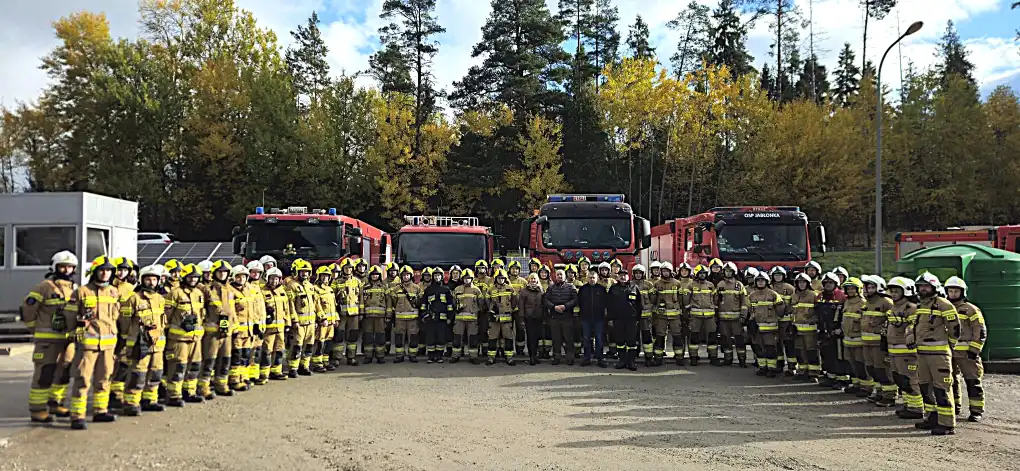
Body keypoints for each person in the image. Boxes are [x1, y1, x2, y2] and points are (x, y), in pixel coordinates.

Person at [64, 256, 121, 430]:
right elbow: (69, 315)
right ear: (95, 272)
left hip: (108, 345)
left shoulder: (113, 292)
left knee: (104, 379)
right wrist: (75, 331)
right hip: (88, 344)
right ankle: (77, 416)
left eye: (109, 271)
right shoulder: (82, 291)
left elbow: (116, 317)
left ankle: (100, 411)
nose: (105, 274)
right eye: (102, 270)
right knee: (82, 379)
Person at [24, 251, 79, 423]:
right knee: (45, 372)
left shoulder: (76, 289)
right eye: (63, 266)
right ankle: (38, 409)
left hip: (68, 339)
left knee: (64, 371)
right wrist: (35, 329)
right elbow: (28, 309)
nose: (66, 270)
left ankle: (56, 403)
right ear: (55, 267)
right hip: (47, 340)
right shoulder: (44, 287)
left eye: (70, 267)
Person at [912, 272, 961, 436]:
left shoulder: (944, 304)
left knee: (942, 389)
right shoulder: (920, 306)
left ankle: (947, 424)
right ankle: (932, 417)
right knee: (925, 387)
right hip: (922, 353)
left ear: (934, 287)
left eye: (926, 286)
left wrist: (949, 346)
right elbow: (915, 327)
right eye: (920, 286)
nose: (923, 289)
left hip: (939, 355)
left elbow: (955, 329)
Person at [119, 265, 167, 415]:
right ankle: (131, 403)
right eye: (148, 279)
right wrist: (130, 338)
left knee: (155, 373)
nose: (151, 282)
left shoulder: (160, 299)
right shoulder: (134, 298)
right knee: (137, 374)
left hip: (157, 345)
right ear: (142, 280)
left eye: (154, 279)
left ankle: (150, 400)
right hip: (140, 344)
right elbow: (124, 321)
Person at [945, 276, 986, 422]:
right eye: (951, 291)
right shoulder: (945, 309)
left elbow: (980, 331)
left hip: (967, 351)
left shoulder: (971, 309)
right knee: (950, 380)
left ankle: (976, 410)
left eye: (956, 291)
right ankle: (954, 406)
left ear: (962, 292)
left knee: (972, 380)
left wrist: (974, 350)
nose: (953, 294)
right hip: (948, 351)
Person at [165, 264, 206, 403]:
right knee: (178, 366)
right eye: (190, 277)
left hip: (196, 338)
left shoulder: (199, 293)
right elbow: (167, 316)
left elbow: (202, 314)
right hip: (179, 338)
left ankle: (189, 391)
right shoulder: (174, 293)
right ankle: (174, 395)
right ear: (185, 277)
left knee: (194, 366)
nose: (193, 280)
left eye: (195, 277)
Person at [885, 277, 923, 420]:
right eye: (892, 291)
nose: (893, 294)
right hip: (894, 350)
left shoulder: (911, 308)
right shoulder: (894, 307)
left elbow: (913, 328)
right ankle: (908, 404)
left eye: (897, 291)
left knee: (910, 379)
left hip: (906, 351)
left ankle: (917, 408)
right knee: (900, 379)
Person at [198, 261, 234, 399]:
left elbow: (232, 311)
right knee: (209, 359)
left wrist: (233, 326)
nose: (222, 274)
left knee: (225, 359)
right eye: (220, 272)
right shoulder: (207, 289)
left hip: (227, 330)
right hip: (212, 331)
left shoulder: (229, 289)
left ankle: (221, 384)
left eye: (225, 272)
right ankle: (203, 386)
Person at [861, 275, 896, 405]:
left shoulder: (886, 302)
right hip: (866, 342)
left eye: (872, 287)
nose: (868, 290)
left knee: (882, 369)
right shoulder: (867, 302)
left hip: (879, 343)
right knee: (871, 369)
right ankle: (879, 392)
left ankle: (889, 395)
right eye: (867, 287)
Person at [746, 270, 784, 377]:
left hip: (770, 329)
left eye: (762, 281)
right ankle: (762, 367)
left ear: (767, 282)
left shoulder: (773, 294)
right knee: (758, 348)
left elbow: (780, 310)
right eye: (758, 281)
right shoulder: (751, 295)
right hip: (757, 328)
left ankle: (772, 368)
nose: (760, 282)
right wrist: (748, 322)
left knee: (770, 348)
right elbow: (748, 309)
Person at [285, 259, 318, 376]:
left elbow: (314, 304)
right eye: (302, 272)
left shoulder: (310, 286)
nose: (305, 274)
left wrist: (316, 320)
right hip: (299, 323)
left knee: (309, 346)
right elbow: (290, 305)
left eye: (307, 272)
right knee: (297, 346)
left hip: (310, 323)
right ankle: (293, 368)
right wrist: (294, 320)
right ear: (297, 272)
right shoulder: (292, 286)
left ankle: (304, 366)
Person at [816, 272, 847, 388]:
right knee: (826, 354)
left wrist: (840, 329)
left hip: (837, 331)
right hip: (824, 330)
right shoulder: (820, 296)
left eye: (831, 282)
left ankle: (842, 379)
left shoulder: (842, 296)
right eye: (826, 282)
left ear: (836, 283)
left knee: (839, 356)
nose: (828, 285)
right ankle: (830, 377)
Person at [260, 267, 292, 379]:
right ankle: (264, 373)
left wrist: (288, 323)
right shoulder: (262, 292)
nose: (274, 281)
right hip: (268, 329)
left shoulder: (282, 292)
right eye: (272, 279)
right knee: (267, 350)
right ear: (267, 279)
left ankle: (276, 371)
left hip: (280, 328)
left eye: (276, 279)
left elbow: (286, 309)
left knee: (279, 350)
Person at [840, 277, 869, 396]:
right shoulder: (847, 302)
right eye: (848, 289)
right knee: (852, 363)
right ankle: (856, 384)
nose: (851, 291)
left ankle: (866, 387)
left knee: (861, 363)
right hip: (848, 339)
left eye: (853, 288)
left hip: (859, 339)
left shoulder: (863, 303)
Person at [715, 262, 748, 367]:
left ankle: (742, 360)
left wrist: (743, 316)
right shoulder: (720, 285)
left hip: (736, 319)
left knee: (739, 339)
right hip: (723, 319)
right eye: (726, 271)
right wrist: (716, 315)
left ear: (734, 272)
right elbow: (716, 301)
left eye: (730, 271)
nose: (728, 273)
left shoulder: (739, 285)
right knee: (725, 339)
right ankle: (727, 359)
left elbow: (744, 302)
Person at [608, 269, 642, 371]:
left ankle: (631, 362)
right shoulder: (613, 288)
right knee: (620, 341)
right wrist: (610, 318)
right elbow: (609, 304)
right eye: (621, 275)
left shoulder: (634, 287)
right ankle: (622, 361)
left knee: (631, 341)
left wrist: (638, 318)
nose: (623, 277)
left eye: (625, 275)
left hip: (631, 319)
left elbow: (639, 304)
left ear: (628, 277)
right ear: (618, 277)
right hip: (618, 319)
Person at [420, 267, 455, 364]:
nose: (437, 277)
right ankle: (431, 356)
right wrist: (424, 315)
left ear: (442, 277)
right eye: (435, 275)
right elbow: (424, 304)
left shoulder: (446, 289)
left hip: (442, 319)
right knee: (430, 337)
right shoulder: (428, 290)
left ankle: (439, 356)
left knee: (441, 337)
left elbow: (450, 305)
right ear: (433, 277)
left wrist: (449, 317)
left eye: (439, 275)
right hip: (430, 319)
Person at [652, 262, 684, 366]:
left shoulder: (677, 283)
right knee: (660, 336)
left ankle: (679, 358)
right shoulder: (657, 284)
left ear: (671, 272)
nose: (665, 273)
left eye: (667, 271)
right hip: (661, 316)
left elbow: (681, 299)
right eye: (663, 271)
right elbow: (653, 299)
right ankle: (658, 358)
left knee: (677, 336)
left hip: (675, 315)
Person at [789, 273, 820, 381]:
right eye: (799, 282)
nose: (801, 284)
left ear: (808, 283)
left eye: (804, 282)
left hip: (810, 329)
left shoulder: (814, 295)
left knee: (811, 351)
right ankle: (802, 371)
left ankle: (813, 373)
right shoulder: (794, 296)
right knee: (799, 351)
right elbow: (790, 311)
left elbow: (818, 312)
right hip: (797, 329)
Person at [544, 269, 578, 366]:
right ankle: (556, 357)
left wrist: (565, 306)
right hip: (555, 317)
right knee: (556, 339)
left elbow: (575, 300)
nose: (559, 276)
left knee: (568, 339)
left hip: (567, 317)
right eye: (558, 275)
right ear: (555, 276)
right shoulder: (551, 288)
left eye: (561, 275)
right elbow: (545, 300)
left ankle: (570, 358)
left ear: (565, 276)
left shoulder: (571, 287)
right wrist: (553, 307)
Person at [226, 265, 252, 391]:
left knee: (245, 355)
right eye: (238, 276)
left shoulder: (248, 289)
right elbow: (230, 312)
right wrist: (234, 328)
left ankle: (244, 377)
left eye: (243, 276)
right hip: (237, 331)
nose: (241, 279)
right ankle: (234, 380)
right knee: (237, 355)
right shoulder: (230, 291)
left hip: (248, 330)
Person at [390, 265, 423, 363]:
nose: (406, 277)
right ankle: (399, 356)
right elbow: (393, 302)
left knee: (413, 337)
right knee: (399, 337)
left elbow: (420, 303)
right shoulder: (396, 289)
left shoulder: (417, 288)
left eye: (408, 275)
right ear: (401, 276)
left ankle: (412, 355)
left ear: (411, 276)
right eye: (404, 275)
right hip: (399, 319)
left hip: (413, 319)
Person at [452, 269, 484, 364]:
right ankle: (455, 356)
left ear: (472, 279)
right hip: (459, 320)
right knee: (457, 338)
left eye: (469, 278)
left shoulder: (476, 290)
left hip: (472, 320)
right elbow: (453, 303)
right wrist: (456, 308)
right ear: (462, 279)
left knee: (473, 339)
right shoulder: (457, 289)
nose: (467, 280)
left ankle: (473, 357)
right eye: (465, 278)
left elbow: (481, 304)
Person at [334, 259, 362, 366]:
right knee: (339, 337)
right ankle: (337, 358)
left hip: (354, 315)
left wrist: (361, 313)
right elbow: (332, 299)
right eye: (346, 268)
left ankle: (351, 357)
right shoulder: (336, 282)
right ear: (342, 269)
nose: (349, 270)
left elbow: (361, 299)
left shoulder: (357, 281)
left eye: (350, 268)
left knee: (352, 336)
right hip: (341, 315)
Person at [688, 265, 718, 366]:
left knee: (712, 336)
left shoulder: (711, 285)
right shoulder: (691, 285)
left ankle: (713, 357)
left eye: (704, 273)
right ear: (697, 274)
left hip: (710, 316)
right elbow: (686, 299)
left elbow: (715, 299)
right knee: (694, 337)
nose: (702, 275)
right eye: (700, 273)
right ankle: (693, 357)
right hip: (695, 316)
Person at [578, 271, 608, 368]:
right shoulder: (583, 289)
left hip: (599, 319)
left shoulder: (602, 289)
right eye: (590, 277)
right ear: (587, 278)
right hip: (586, 318)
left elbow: (606, 303)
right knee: (586, 339)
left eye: (593, 277)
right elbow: (579, 303)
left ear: (597, 278)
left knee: (599, 339)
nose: (592, 279)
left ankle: (600, 359)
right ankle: (587, 358)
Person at [487, 269, 517, 365]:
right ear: (496, 279)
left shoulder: (510, 288)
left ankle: (509, 358)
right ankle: (491, 358)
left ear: (505, 279)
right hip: (494, 318)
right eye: (499, 278)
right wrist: (491, 309)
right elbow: (487, 301)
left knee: (508, 338)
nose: (501, 280)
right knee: (492, 338)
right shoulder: (491, 289)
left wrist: (510, 309)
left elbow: (515, 300)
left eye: (502, 278)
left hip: (507, 318)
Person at [770, 267, 796, 375]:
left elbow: (794, 304)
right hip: (774, 321)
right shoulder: (769, 288)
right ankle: (779, 365)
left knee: (789, 344)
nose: (777, 277)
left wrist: (791, 319)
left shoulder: (790, 288)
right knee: (777, 344)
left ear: (784, 276)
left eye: (779, 275)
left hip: (787, 321)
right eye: (775, 275)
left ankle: (792, 367)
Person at [361, 265, 389, 364]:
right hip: (368, 317)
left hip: (380, 318)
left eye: (377, 274)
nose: (375, 276)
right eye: (373, 274)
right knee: (368, 337)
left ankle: (380, 356)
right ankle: (368, 356)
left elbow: (388, 301)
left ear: (379, 276)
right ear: (370, 276)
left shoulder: (384, 287)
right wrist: (361, 314)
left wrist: (388, 315)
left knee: (380, 337)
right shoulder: (365, 287)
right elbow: (361, 302)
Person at [244, 261, 267, 383]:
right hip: (250, 326)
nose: (255, 274)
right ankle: (245, 376)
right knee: (248, 352)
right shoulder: (245, 287)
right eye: (253, 272)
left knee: (257, 352)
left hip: (261, 326)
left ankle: (254, 375)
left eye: (258, 272)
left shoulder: (260, 286)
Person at [312, 266, 336, 372]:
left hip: (331, 322)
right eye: (323, 276)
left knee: (328, 342)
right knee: (320, 342)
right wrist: (322, 319)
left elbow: (333, 306)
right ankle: (318, 363)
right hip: (322, 322)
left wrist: (336, 319)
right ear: (319, 277)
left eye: (327, 276)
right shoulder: (315, 289)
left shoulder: (330, 289)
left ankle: (326, 361)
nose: (325, 278)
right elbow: (316, 306)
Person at [518, 273, 545, 365]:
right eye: (531, 279)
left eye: (535, 279)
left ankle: (535, 355)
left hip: (539, 317)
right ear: (529, 280)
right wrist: (521, 318)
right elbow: (521, 306)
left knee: (537, 337)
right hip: (528, 317)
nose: (533, 280)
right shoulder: (524, 291)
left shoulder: (541, 290)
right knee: (530, 338)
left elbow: (543, 303)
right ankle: (531, 357)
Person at [631, 264, 656, 365]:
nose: (638, 275)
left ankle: (649, 357)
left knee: (647, 336)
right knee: (634, 336)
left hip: (646, 316)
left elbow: (653, 299)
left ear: (643, 274)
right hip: (634, 316)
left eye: (639, 273)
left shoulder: (648, 285)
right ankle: (634, 355)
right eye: (636, 273)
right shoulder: (630, 284)